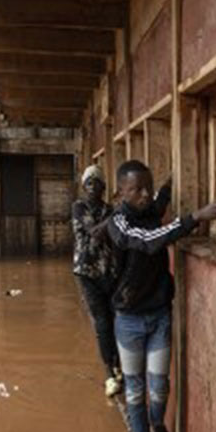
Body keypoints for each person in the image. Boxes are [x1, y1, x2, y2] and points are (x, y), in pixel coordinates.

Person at [107, 160, 216, 432]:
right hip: (128, 319)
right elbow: (148, 240)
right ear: (120, 192)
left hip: (158, 314)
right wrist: (194, 218)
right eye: (136, 189)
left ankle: (156, 425)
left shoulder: (150, 209)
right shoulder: (120, 223)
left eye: (148, 187)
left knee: (159, 388)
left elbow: (159, 203)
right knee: (135, 390)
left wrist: (171, 179)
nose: (144, 195)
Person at [71, 164, 122, 397]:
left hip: (108, 273)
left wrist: (115, 218)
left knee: (113, 319)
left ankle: (118, 364)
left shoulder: (110, 209)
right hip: (87, 272)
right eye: (89, 183)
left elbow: (115, 237)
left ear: (103, 187)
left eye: (97, 183)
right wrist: (115, 219)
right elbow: (95, 232)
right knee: (102, 322)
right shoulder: (78, 207)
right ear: (84, 186)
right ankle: (109, 372)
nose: (93, 187)